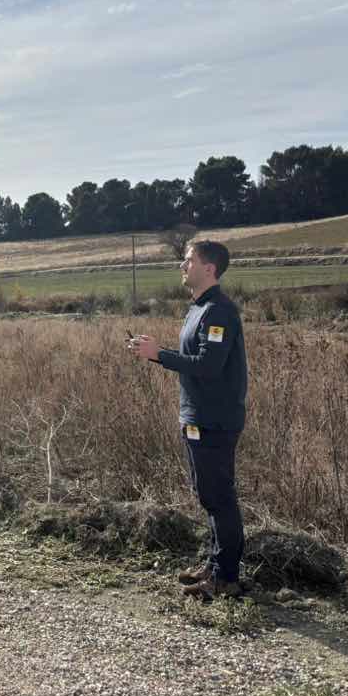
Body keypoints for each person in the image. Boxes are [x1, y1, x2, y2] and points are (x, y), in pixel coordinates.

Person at [127, 240, 248, 600]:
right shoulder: (199, 309)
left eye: (188, 260)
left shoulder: (219, 312)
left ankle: (226, 578)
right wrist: (156, 353)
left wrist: (159, 354)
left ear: (209, 268)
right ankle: (214, 565)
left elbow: (209, 367)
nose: (182, 265)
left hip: (215, 420)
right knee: (208, 495)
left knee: (220, 498)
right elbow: (196, 358)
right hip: (197, 416)